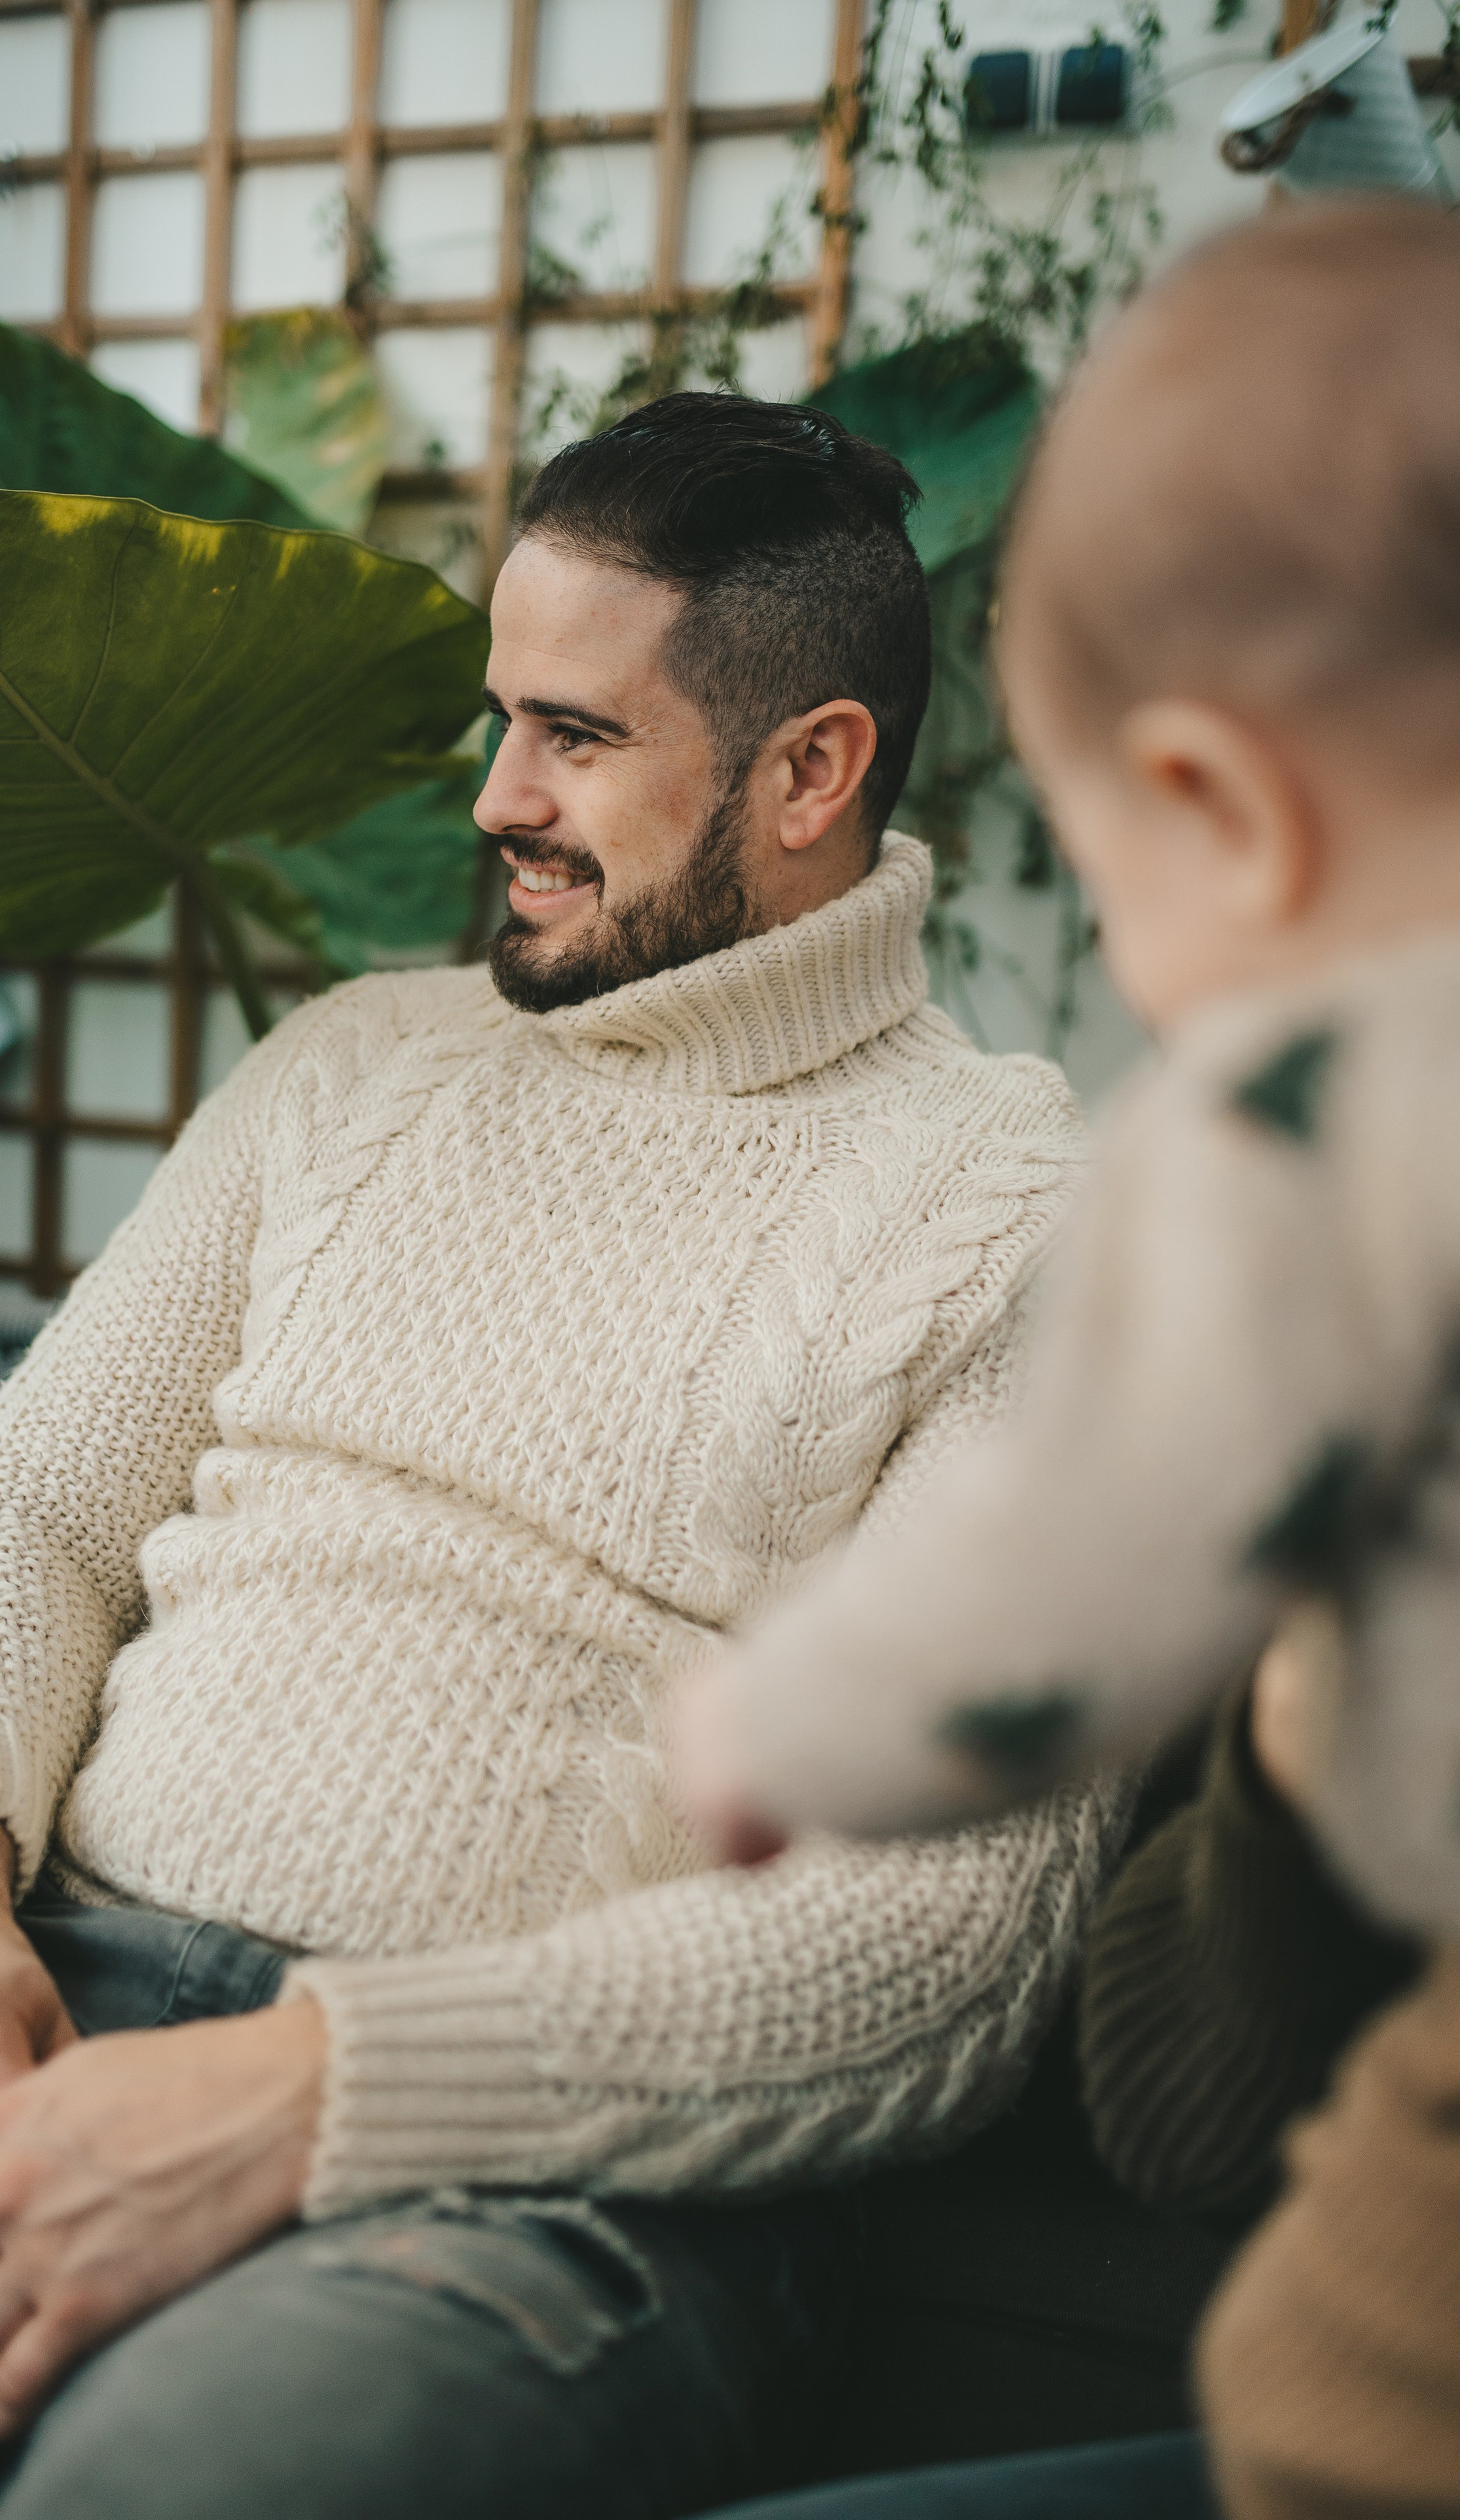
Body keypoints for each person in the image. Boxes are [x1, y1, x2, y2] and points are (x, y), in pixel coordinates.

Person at [0, 392, 1116, 2520]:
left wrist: (306, 2088)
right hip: (45, 2000)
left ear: (812, 770)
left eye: (575, 736)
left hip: (524, 2185)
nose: (496, 794)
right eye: (503, 717)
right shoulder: (353, 1067)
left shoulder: (1022, 1216)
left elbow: (939, 1948)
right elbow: (23, 1516)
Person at [674, 201, 1460, 2519]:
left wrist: (780, 1724)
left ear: (1222, 803)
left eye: (1114, 881)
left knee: (1343, 2383)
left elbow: (1068, 1574)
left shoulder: (1323, 1107)